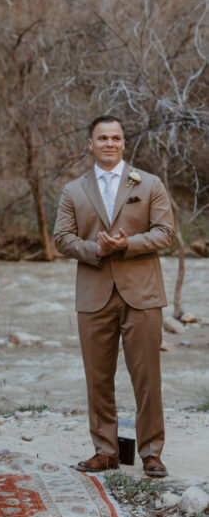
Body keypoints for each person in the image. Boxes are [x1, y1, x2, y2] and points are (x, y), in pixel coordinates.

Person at [54, 115, 174, 478]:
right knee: (98, 377)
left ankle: (151, 452)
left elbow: (166, 233)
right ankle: (105, 450)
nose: (109, 143)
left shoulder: (149, 183)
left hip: (143, 294)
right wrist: (96, 250)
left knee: (147, 377)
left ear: (124, 143)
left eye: (116, 137)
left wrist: (127, 245)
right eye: (102, 138)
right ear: (89, 144)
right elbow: (62, 238)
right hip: (93, 295)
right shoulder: (73, 191)